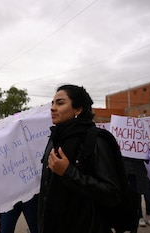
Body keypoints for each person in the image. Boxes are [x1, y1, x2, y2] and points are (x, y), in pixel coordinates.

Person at [38, 84, 122, 233]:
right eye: (52, 103)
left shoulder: (94, 140)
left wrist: (68, 172)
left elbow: (111, 193)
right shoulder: (54, 139)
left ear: (78, 109)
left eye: (60, 103)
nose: (52, 108)